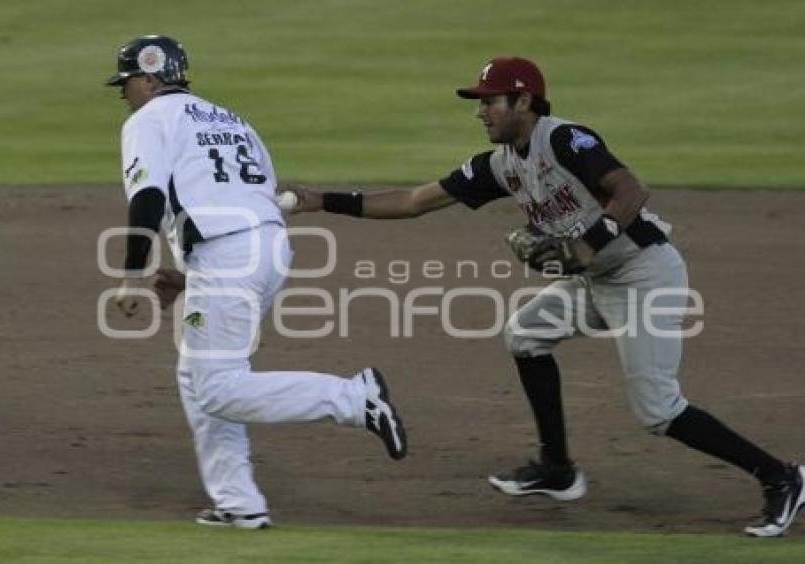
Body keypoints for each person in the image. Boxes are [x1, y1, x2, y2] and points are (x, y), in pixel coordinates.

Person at [285, 57, 804, 537]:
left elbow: (630, 191)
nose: (482, 111)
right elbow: (413, 201)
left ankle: (782, 477)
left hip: (645, 274)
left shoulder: (565, 141)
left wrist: (584, 246)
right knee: (525, 334)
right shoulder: (499, 165)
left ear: (524, 102)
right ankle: (557, 469)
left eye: (491, 100)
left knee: (657, 410)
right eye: (479, 102)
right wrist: (323, 201)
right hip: (597, 280)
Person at [105, 35, 407, 530]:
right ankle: (238, 501)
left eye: (127, 84)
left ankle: (355, 399)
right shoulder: (232, 120)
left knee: (219, 388)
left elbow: (148, 199)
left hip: (230, 254)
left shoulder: (148, 120)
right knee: (197, 373)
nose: (124, 95)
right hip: (267, 248)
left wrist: (131, 274)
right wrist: (193, 279)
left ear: (150, 78)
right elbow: (245, 198)